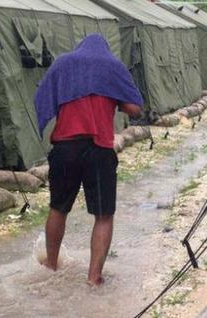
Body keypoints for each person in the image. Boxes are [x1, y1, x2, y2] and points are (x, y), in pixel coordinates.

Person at [34, 34, 144, 286]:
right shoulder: (112, 67)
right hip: (99, 150)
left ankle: (51, 266)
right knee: (104, 215)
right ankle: (94, 277)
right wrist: (111, 95)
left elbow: (42, 97)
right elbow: (135, 109)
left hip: (65, 148)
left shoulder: (63, 64)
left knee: (58, 208)